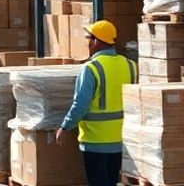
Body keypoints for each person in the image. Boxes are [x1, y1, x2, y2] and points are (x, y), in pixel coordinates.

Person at [56, 20, 137, 186]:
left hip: (96, 141)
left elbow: (81, 104)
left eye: (89, 39)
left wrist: (65, 126)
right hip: (122, 140)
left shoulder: (91, 68)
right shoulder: (131, 66)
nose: (88, 43)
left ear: (96, 42)